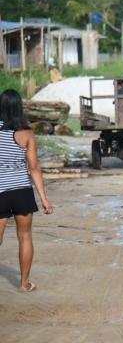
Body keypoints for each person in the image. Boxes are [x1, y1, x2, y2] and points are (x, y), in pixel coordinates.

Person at [0, 89, 53, 292]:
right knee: (25, 236)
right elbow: (34, 168)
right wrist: (44, 199)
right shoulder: (27, 133)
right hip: (21, 190)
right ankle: (24, 284)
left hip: (1, 191)